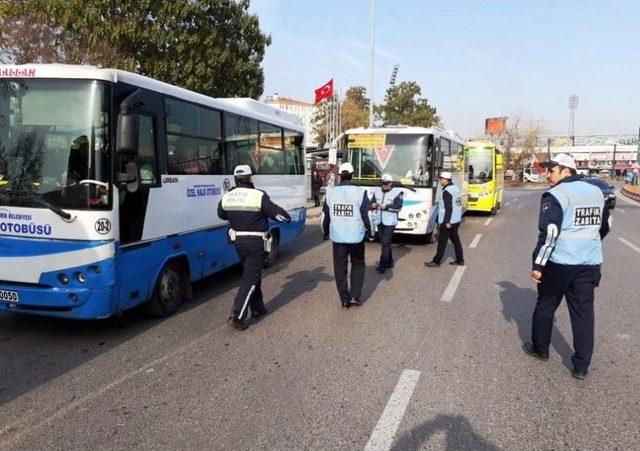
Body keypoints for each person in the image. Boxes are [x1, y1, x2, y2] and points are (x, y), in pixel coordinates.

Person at [522, 154, 610, 379]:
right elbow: (606, 225)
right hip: (589, 262)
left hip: (560, 262)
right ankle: (581, 366)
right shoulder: (596, 192)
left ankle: (541, 349)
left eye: (552, 171)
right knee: (583, 313)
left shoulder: (557, 195)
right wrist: (590, 242)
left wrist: (538, 265)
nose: (547, 175)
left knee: (546, 304)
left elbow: (550, 233)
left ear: (565, 171)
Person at [217, 165, 291, 331]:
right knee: (250, 278)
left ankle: (258, 308)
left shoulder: (228, 196)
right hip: (256, 244)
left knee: (251, 273)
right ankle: (238, 315)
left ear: (236, 179)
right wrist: (287, 218)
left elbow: (221, 214)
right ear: (250, 178)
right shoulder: (258, 195)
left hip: (238, 242)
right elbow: (277, 213)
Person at [322, 162, 373, 308]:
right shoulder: (360, 192)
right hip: (356, 237)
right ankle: (355, 297)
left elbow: (324, 217)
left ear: (340, 176)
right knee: (357, 264)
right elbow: (368, 215)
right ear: (352, 175)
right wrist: (371, 233)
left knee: (340, 267)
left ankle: (344, 299)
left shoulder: (331, 193)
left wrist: (325, 232)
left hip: (338, 237)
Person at [424, 172, 464, 267]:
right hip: (455, 219)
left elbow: (448, 208)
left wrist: (447, 221)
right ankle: (460, 260)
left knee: (442, 241)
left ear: (446, 180)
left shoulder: (447, 191)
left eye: (441, 178)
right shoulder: (455, 188)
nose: (440, 180)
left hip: (448, 221)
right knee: (456, 240)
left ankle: (436, 261)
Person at [371, 173, 404, 273]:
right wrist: (373, 205)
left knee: (385, 242)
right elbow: (371, 202)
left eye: (386, 183)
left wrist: (387, 207)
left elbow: (399, 206)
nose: (384, 185)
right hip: (379, 221)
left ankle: (382, 265)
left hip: (390, 222)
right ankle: (389, 261)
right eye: (383, 183)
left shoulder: (397, 192)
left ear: (390, 183)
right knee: (385, 243)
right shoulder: (376, 191)